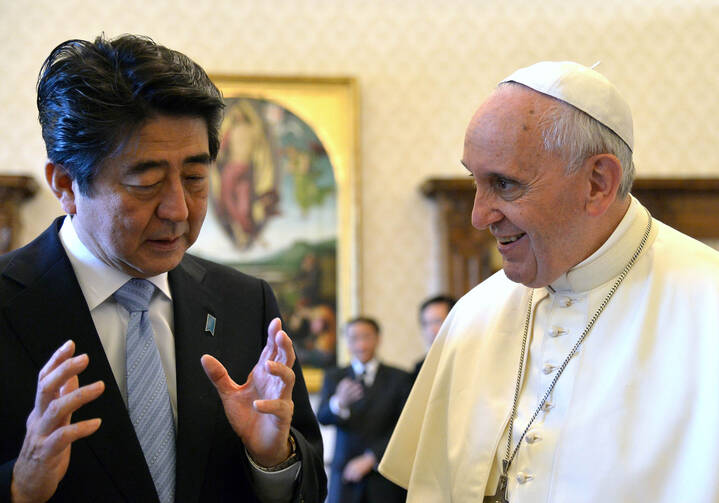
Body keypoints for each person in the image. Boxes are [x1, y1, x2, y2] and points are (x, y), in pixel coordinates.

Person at [0, 34, 326, 503]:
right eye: (146, 182)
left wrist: (272, 460)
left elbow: (310, 487)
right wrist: (20, 485)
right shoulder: (10, 304)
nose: (178, 209)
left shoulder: (243, 303)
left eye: (195, 178)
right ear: (66, 184)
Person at [379, 61, 719, 502]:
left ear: (598, 183)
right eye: (475, 182)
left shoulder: (708, 309)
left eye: (504, 184)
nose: (479, 216)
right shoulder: (474, 315)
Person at [317, 317, 410, 503]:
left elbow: (406, 427)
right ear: (347, 342)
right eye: (354, 338)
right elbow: (323, 417)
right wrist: (339, 402)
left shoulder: (400, 378)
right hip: (345, 476)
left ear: (378, 338)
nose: (360, 343)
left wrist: (371, 457)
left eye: (366, 336)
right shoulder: (335, 376)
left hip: (385, 476)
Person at [412, 295, 455, 379]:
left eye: (437, 322)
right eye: (426, 323)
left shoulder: (472, 356)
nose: (431, 329)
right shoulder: (421, 367)